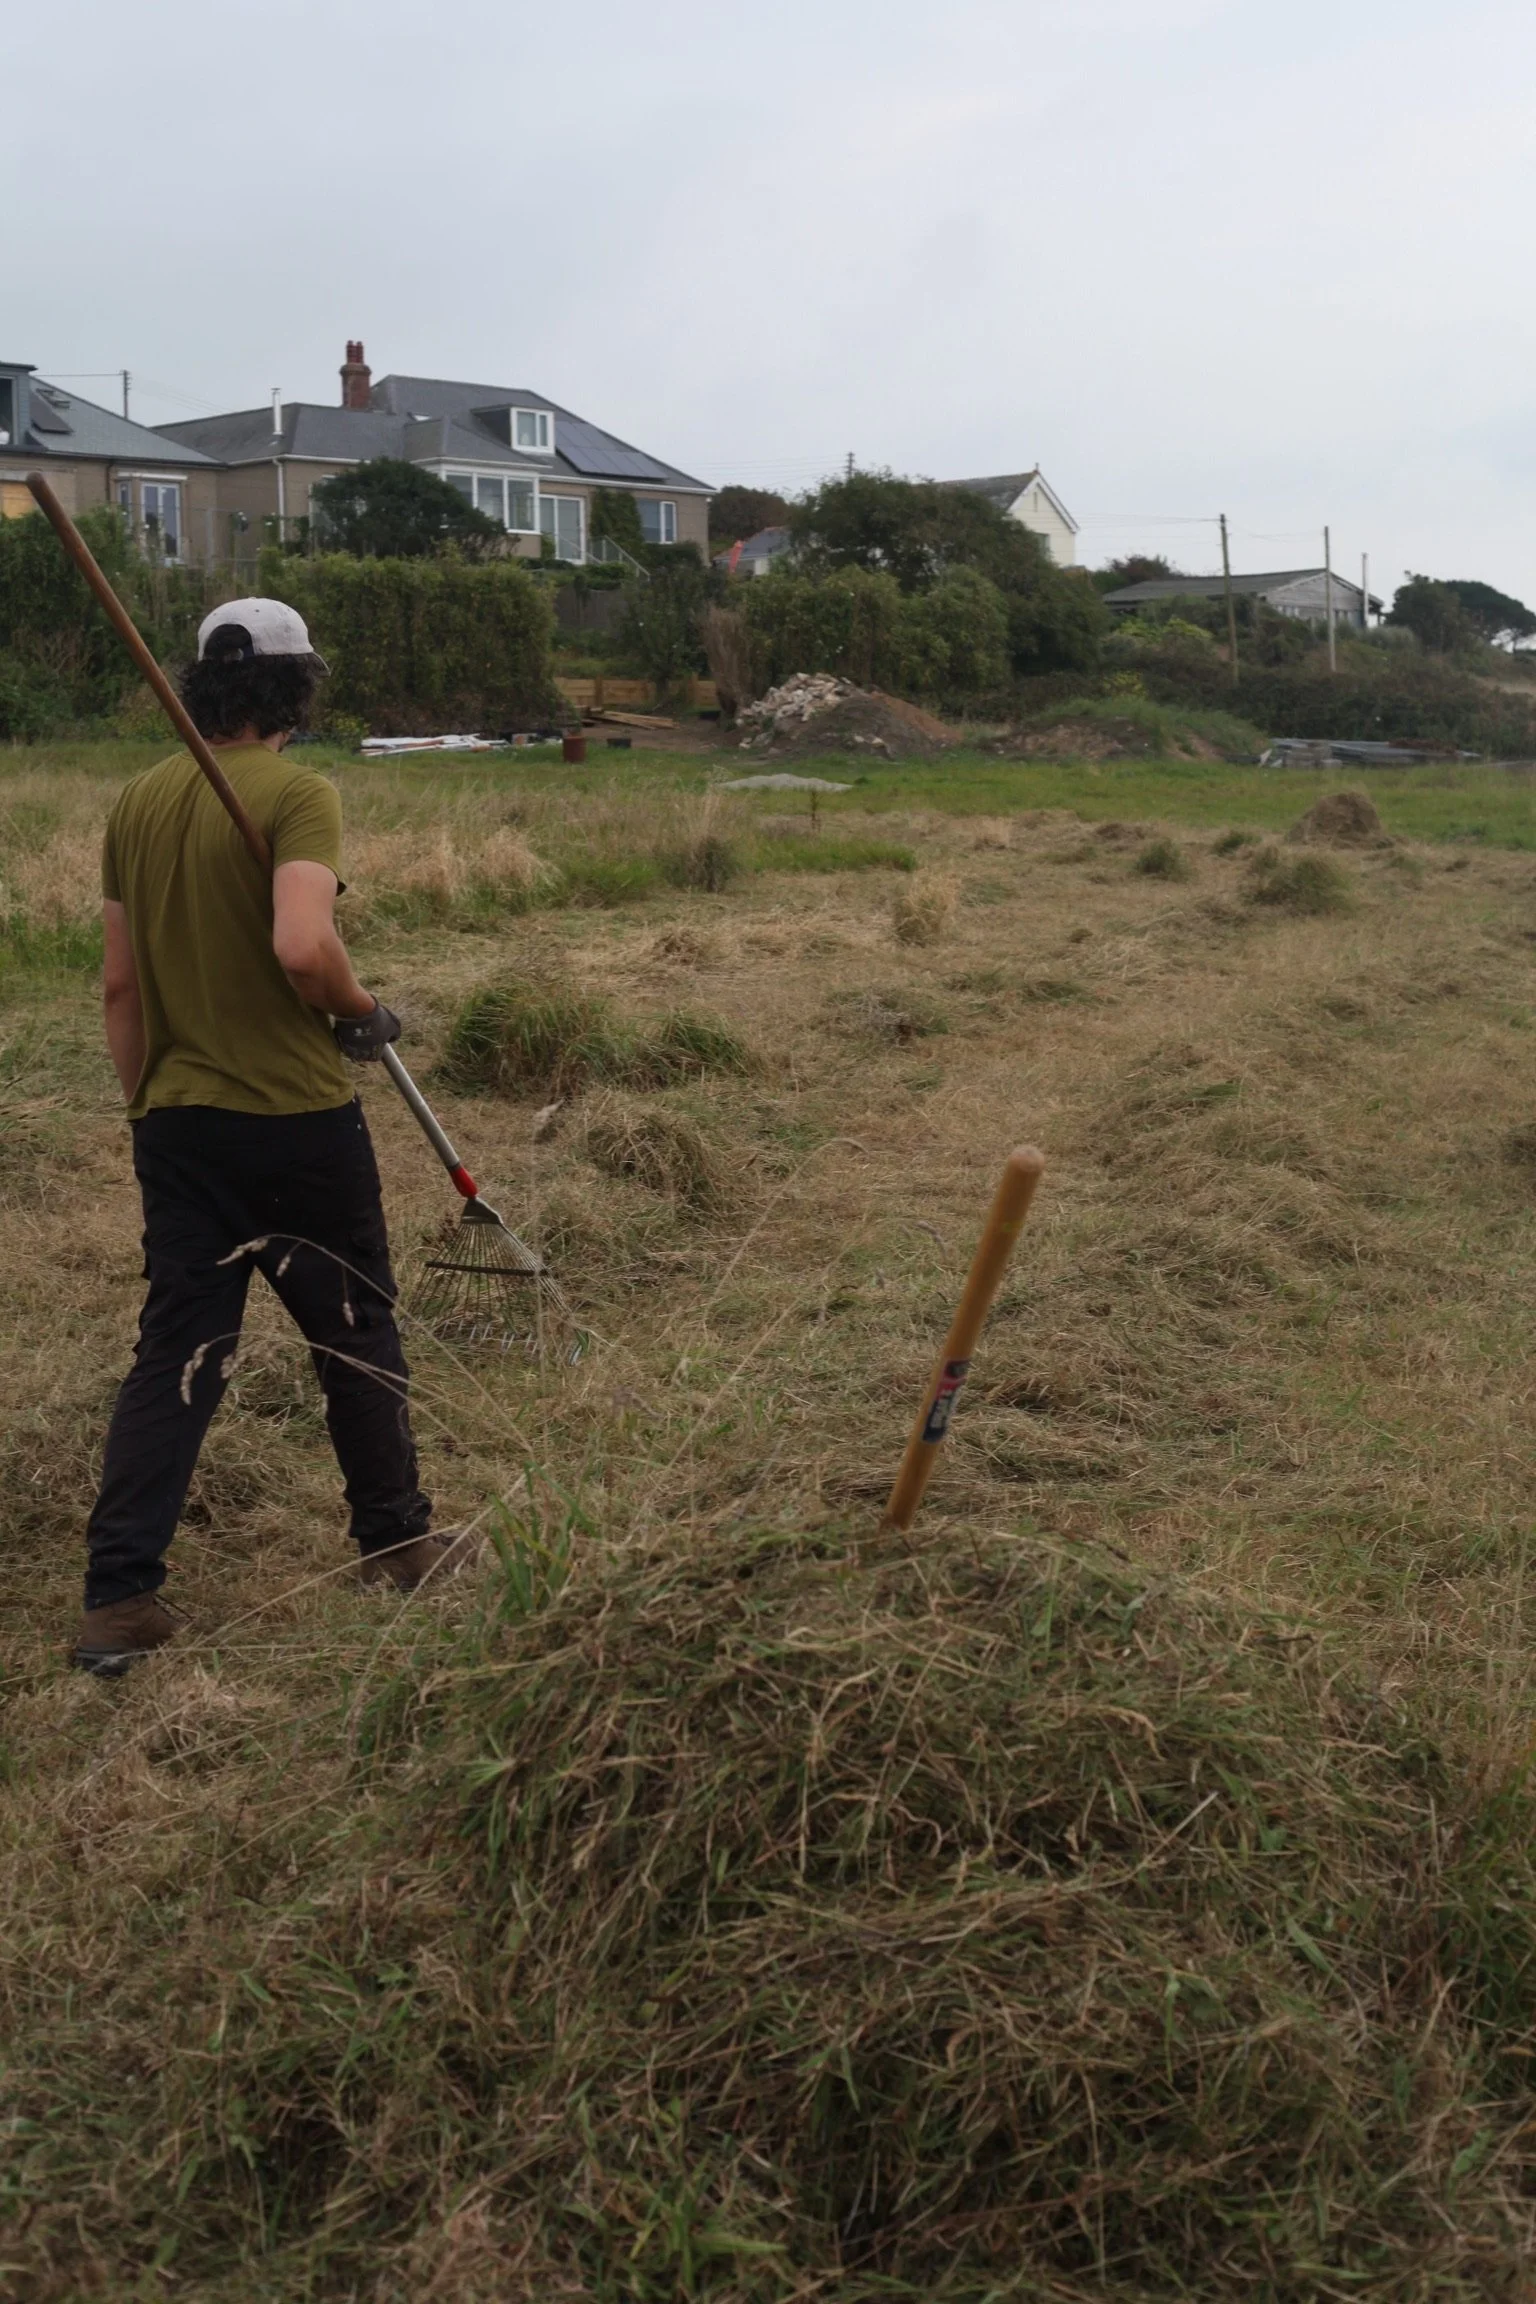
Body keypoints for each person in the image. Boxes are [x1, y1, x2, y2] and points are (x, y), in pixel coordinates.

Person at [72, 599, 469, 1677]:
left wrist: (148, 1103)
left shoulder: (140, 802)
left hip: (178, 1122)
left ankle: (119, 1600)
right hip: (295, 1123)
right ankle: (395, 1541)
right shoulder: (299, 794)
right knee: (353, 1333)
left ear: (204, 689)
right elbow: (304, 946)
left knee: (179, 1355)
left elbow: (119, 986)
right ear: (298, 691)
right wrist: (358, 1008)